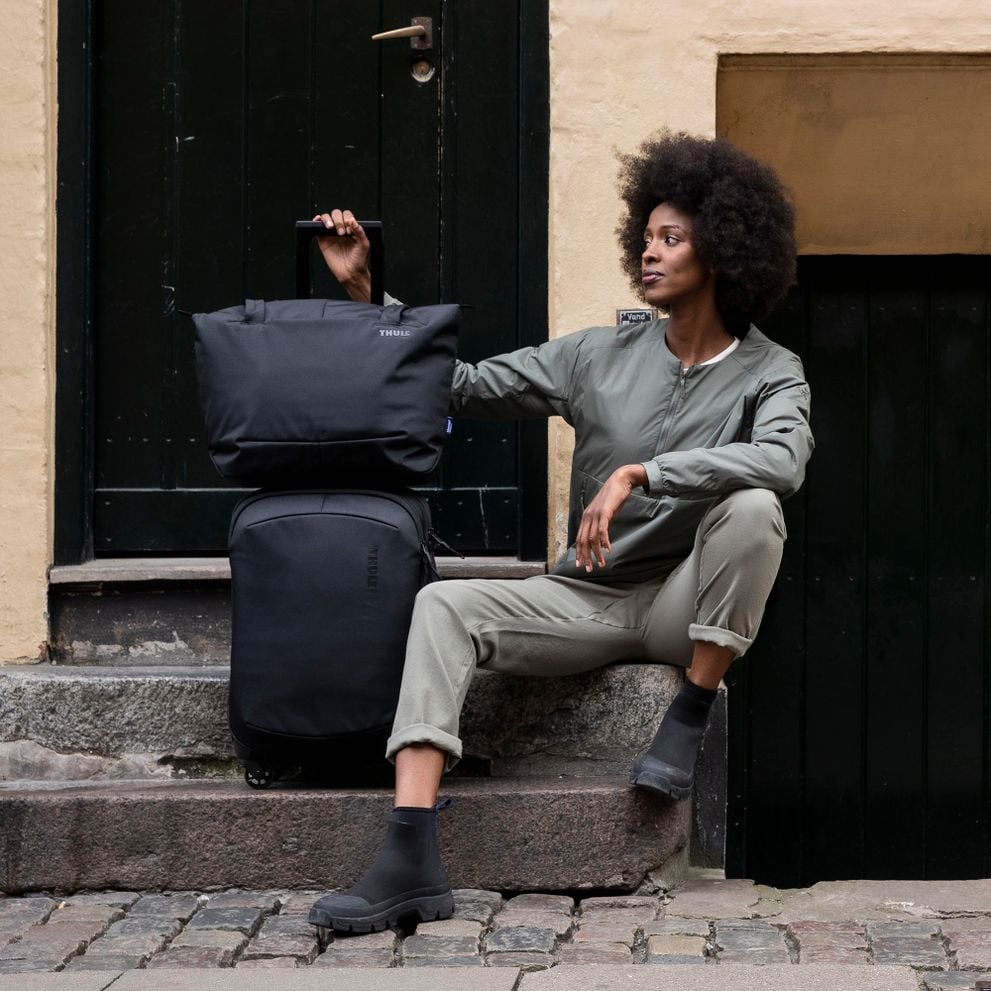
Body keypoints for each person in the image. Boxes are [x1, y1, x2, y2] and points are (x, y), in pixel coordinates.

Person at [307, 131, 813, 934]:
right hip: (582, 597)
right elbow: (462, 386)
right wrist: (370, 297)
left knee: (754, 508)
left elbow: (783, 459)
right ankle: (408, 856)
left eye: (670, 239)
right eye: (644, 238)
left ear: (719, 251)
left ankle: (687, 714)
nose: (648, 253)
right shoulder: (595, 354)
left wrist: (642, 472)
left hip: (679, 605)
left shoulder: (772, 370)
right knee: (443, 605)